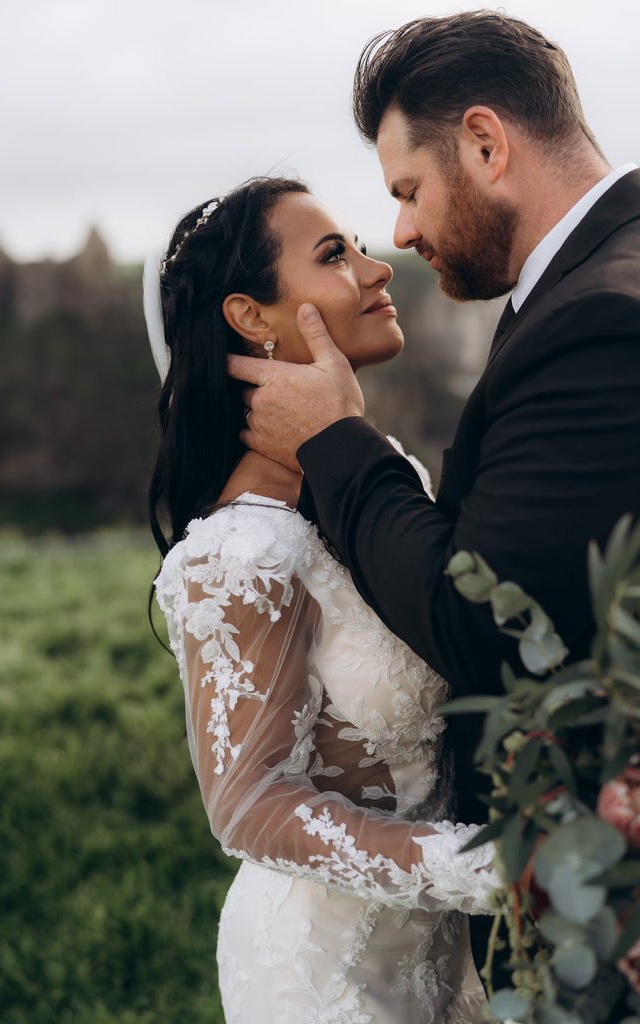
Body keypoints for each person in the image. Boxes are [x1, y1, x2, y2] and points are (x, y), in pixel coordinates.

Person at [226, 12, 640, 966]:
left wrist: (336, 442)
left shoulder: (596, 318)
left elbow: (490, 619)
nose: (401, 233)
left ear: (486, 144)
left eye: (407, 191)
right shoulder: (591, 281)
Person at [145, 176, 499, 1023]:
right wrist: (493, 868)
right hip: (321, 978)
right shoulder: (241, 551)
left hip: (442, 960)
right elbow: (248, 805)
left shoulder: (390, 484)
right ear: (251, 318)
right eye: (335, 254)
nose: (377, 270)